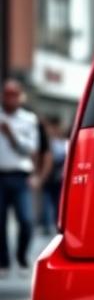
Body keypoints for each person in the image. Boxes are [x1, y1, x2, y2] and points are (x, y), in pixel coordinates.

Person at [0, 78, 41, 276]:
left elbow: (31, 149)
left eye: (14, 95)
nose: (10, 99)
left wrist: (11, 135)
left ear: (20, 97)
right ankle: (3, 262)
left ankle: (22, 256)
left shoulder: (28, 119)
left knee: (26, 220)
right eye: (7, 94)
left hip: (19, 175)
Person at [39, 116, 67, 236]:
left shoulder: (64, 142)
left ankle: (56, 223)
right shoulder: (46, 142)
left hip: (59, 178)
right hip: (48, 177)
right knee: (47, 202)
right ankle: (46, 224)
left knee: (57, 202)